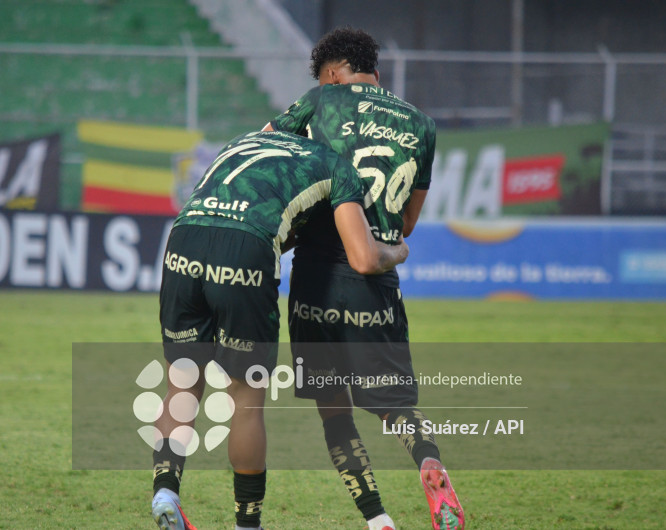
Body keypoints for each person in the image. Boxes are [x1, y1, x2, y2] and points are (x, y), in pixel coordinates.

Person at [152, 129, 410, 530]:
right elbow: (360, 253)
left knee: (181, 384)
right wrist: (398, 251)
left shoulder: (247, 139)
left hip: (184, 237)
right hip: (245, 248)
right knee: (246, 399)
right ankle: (246, 524)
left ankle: (165, 491)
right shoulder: (335, 164)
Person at [263, 26, 465, 530]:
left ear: (333, 74)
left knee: (334, 412)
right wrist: (390, 247)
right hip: (374, 281)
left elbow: (262, 150)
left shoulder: (319, 102)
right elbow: (408, 223)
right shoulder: (422, 125)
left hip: (314, 279)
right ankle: (430, 466)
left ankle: (378, 520)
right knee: (396, 407)